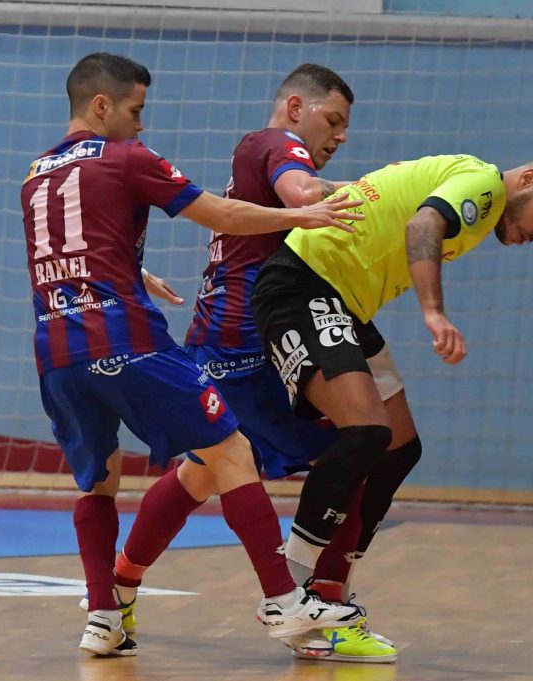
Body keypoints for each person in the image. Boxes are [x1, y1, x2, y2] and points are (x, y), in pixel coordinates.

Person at [19, 52, 367, 657]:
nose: (140, 124)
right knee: (232, 451)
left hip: (56, 350)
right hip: (128, 341)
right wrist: (302, 214)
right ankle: (283, 600)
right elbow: (221, 213)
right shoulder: (126, 156)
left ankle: (103, 616)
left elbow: (67, 251)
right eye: (135, 110)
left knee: (100, 481)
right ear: (101, 105)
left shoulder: (34, 174)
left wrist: (133, 272)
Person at [106, 64, 401, 663]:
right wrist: (392, 193)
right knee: (360, 446)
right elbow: (303, 194)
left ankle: (119, 589)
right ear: (295, 108)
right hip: (245, 350)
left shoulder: (260, 153)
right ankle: (316, 607)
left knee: (202, 473)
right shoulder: (277, 144)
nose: (340, 134)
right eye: (332, 119)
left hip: (228, 343)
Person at [248, 154, 533, 658]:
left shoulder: (469, 190)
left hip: (344, 305)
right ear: (528, 180)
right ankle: (286, 593)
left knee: (399, 449)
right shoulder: (484, 185)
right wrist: (434, 312)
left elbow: (395, 199)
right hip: (304, 286)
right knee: (366, 431)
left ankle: (329, 596)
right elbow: (422, 224)